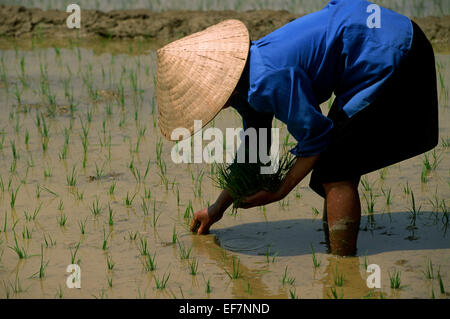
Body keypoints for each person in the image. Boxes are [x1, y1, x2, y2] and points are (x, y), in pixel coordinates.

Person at [156, 0, 438, 256]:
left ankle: (342, 267)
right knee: (336, 162)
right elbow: (253, 152)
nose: (216, 107)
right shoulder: (246, 81)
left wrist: (281, 190)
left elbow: (316, 136)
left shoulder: (266, 79)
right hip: (373, 42)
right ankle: (339, 257)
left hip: (391, 51)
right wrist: (215, 210)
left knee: (335, 169)